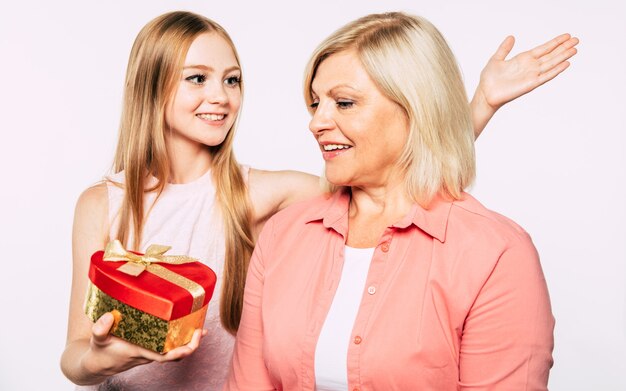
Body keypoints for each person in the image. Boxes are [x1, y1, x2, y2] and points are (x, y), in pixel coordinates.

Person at [59, 10, 577, 391]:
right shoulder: (102, 204)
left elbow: (392, 180)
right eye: (197, 78)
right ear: (150, 89)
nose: (220, 96)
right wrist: (105, 361)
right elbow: (75, 357)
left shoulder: (265, 196)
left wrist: (476, 104)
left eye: (232, 80)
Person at [226, 12, 563, 391]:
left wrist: (479, 103)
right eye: (315, 103)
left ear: (415, 107)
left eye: (345, 102)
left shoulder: (497, 253)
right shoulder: (284, 235)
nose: (316, 122)